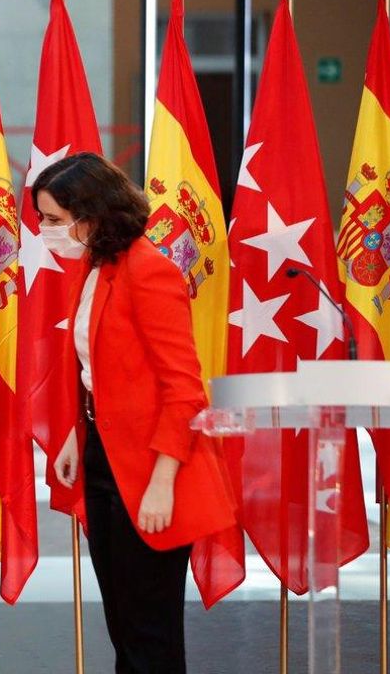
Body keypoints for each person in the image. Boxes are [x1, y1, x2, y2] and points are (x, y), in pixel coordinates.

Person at [36, 152, 237, 674]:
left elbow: (184, 390)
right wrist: (74, 438)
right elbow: (96, 369)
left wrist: (163, 481)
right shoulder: (96, 265)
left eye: (54, 220)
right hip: (104, 456)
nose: (44, 231)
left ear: (93, 215)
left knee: (149, 627)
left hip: (152, 466)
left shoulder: (149, 270)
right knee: (122, 622)